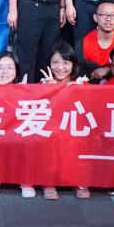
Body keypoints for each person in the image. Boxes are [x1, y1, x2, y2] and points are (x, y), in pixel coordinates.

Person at [38, 42, 89, 200]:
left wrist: (60, 91)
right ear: (49, 63)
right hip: (51, 131)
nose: (60, 67)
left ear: (73, 65)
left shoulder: (83, 84)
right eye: (55, 62)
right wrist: (50, 91)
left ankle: (78, 179)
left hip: (74, 129)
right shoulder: (42, 84)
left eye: (66, 62)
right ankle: (48, 180)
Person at [0, 51, 36, 199]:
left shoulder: (25, 88)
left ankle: (25, 181)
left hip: (19, 133)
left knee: (27, 141)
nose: (4, 72)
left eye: (9, 67)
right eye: (0, 68)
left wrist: (22, 93)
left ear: (17, 70)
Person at [80, 0, 114, 83]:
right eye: (104, 14)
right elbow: (82, 73)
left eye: (113, 15)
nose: (108, 19)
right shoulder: (85, 42)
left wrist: (108, 70)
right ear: (95, 17)